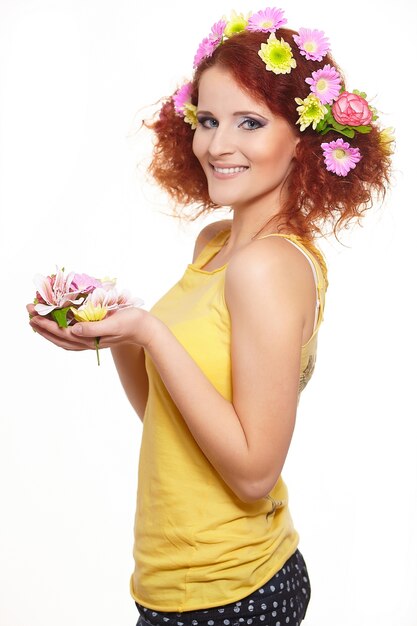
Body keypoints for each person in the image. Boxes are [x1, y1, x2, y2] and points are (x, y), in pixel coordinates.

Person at [27, 7, 392, 626]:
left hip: (232, 591)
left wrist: (148, 331)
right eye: (207, 120)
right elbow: (167, 415)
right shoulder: (219, 244)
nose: (217, 145)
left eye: (249, 122)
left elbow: (252, 474)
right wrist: (118, 331)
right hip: (175, 583)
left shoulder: (268, 268)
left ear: (302, 142)